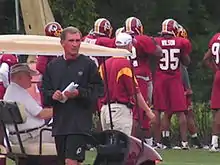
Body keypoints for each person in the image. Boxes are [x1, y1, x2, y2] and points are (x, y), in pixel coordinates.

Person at [41, 26, 104, 165]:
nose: (75, 44)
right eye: (71, 41)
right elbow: (45, 92)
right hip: (60, 124)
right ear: (62, 43)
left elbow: (99, 89)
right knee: (63, 161)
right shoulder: (53, 66)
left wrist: (79, 93)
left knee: (71, 161)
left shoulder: (88, 64)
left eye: (77, 41)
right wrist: (53, 95)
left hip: (79, 123)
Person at [99, 32, 155, 136]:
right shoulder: (124, 64)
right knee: (122, 147)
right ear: (129, 45)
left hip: (105, 109)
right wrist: (148, 111)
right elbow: (135, 92)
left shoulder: (104, 64)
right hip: (119, 110)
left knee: (109, 147)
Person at [124, 16, 162, 145]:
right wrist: (152, 43)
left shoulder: (120, 38)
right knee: (140, 112)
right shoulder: (142, 39)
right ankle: (133, 143)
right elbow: (158, 52)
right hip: (140, 77)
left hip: (123, 75)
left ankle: (145, 142)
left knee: (133, 112)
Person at [154, 19, 191, 149]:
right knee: (181, 111)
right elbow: (186, 62)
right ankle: (184, 142)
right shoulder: (181, 42)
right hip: (175, 78)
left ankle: (159, 142)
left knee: (159, 110)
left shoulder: (156, 41)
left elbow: (153, 58)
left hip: (160, 77)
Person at [3, 63, 53, 144]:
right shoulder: (19, 93)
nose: (31, 77)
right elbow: (41, 114)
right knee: (66, 136)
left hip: (22, 136)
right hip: (32, 137)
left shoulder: (11, 91)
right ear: (19, 77)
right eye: (28, 75)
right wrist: (62, 109)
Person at [36, 22, 63, 106]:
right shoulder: (47, 46)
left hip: (56, 82)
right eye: (58, 33)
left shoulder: (58, 46)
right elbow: (40, 66)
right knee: (49, 107)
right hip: (48, 83)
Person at [203, 32, 220, 152]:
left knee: (217, 110)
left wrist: (216, 71)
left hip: (218, 74)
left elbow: (205, 59)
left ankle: (214, 142)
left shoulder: (215, 37)